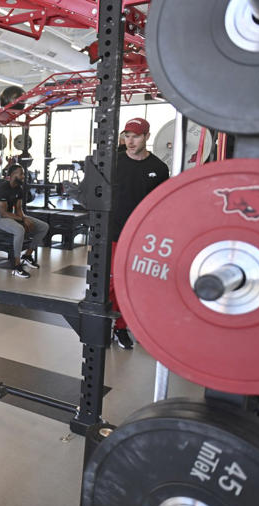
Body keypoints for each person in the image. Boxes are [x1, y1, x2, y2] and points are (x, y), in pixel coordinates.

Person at [111, 118, 170, 349]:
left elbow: (161, 206)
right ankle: (107, 323)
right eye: (127, 135)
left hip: (140, 236)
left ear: (147, 136)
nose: (130, 141)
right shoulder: (114, 162)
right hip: (113, 231)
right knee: (111, 283)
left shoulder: (158, 168)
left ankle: (121, 327)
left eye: (135, 136)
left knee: (131, 284)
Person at [0, 164, 49, 278]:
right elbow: (3, 213)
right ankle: (16, 267)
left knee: (44, 226)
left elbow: (18, 209)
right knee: (19, 230)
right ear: (13, 175)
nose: (23, 176)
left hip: (11, 215)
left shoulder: (19, 189)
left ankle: (27, 256)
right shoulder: (2, 189)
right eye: (21, 173)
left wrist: (24, 218)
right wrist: (22, 220)